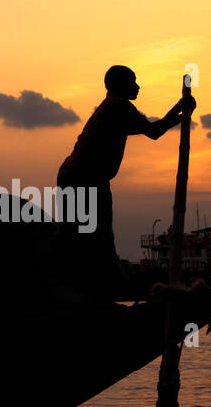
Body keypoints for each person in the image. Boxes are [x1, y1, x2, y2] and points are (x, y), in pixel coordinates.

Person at [57, 65, 195, 291]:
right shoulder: (118, 107)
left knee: (82, 236)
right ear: (120, 85)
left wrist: (181, 110)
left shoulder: (114, 107)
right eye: (133, 81)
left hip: (76, 175)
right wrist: (182, 111)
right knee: (96, 236)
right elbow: (154, 132)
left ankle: (90, 290)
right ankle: (101, 290)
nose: (138, 86)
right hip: (83, 176)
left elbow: (152, 129)